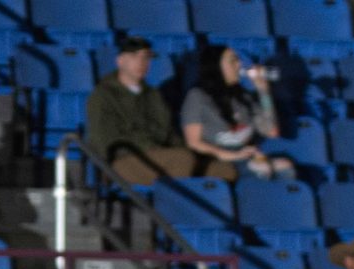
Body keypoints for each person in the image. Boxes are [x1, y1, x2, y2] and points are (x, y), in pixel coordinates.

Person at [85, 35, 194, 187]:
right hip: (123, 160)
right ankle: (173, 207)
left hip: (158, 155)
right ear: (120, 61)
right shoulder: (103, 95)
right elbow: (105, 140)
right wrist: (153, 148)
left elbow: (169, 132)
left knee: (222, 169)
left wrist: (187, 150)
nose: (141, 63)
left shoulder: (153, 95)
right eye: (134, 56)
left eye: (146, 58)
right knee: (183, 159)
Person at [179, 45, 291, 180]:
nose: (239, 65)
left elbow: (271, 131)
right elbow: (193, 143)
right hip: (217, 161)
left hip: (245, 159)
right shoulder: (197, 96)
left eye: (238, 60)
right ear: (216, 66)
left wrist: (264, 92)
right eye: (233, 61)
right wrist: (232, 155)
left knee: (285, 166)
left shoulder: (243, 97)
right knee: (263, 170)